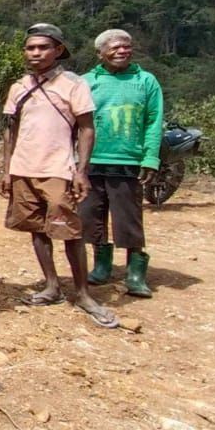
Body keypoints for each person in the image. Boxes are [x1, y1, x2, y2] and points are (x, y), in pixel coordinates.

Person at [0, 24, 118, 328]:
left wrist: (81, 170)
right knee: (37, 229)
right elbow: (10, 130)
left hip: (58, 169)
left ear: (58, 50)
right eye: (30, 48)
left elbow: (86, 128)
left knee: (69, 231)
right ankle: (51, 285)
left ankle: (83, 294)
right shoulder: (19, 86)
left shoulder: (73, 84)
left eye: (43, 47)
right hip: (23, 169)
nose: (36, 53)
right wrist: (7, 169)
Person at [81, 29, 164, 298]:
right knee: (91, 215)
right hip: (91, 160)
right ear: (100, 53)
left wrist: (150, 158)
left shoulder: (146, 81)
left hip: (128, 159)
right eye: (115, 47)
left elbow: (153, 121)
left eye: (126, 46)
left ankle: (135, 273)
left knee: (128, 217)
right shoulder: (86, 82)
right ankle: (101, 266)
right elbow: (74, 122)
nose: (122, 51)